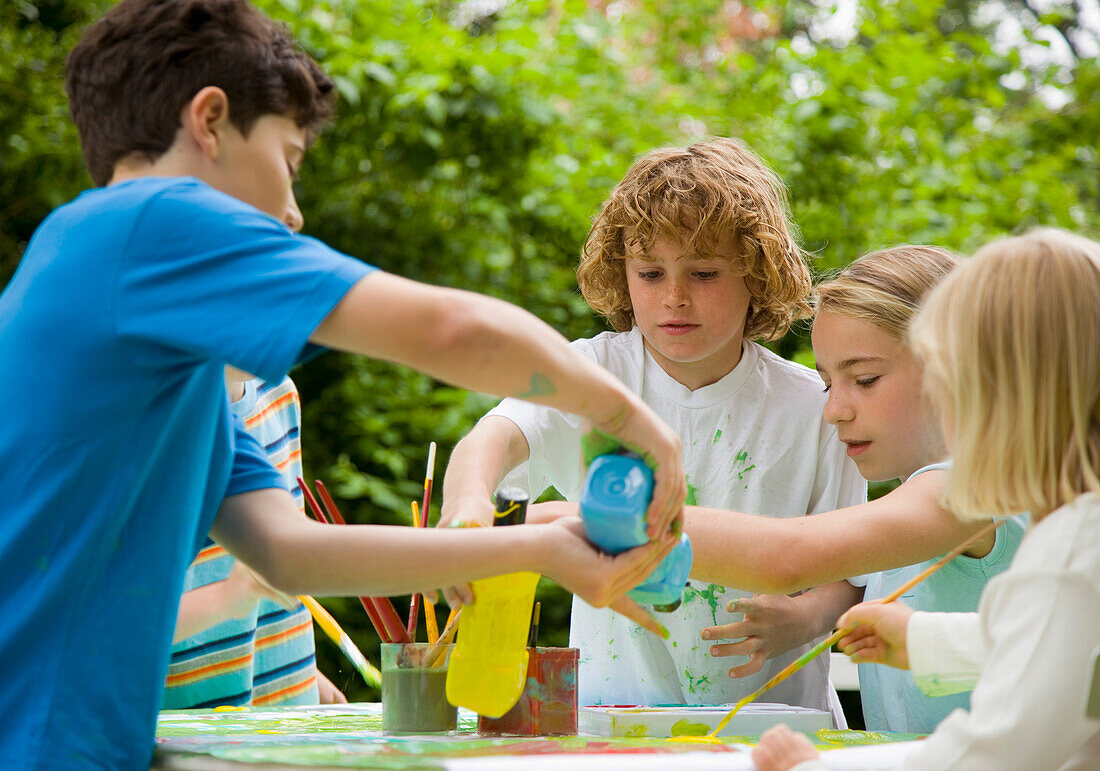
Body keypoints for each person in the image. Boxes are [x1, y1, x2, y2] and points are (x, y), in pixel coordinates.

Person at [0, 1, 685, 767]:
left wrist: (536, 548)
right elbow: (446, 333)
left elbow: (292, 553)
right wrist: (631, 416)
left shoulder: (171, 364)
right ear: (210, 120)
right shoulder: (145, 219)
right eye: (288, 160)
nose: (291, 213)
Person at [440, 137, 866, 719]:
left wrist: (808, 617)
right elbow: (495, 438)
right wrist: (465, 505)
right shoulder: (592, 373)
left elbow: (856, 569)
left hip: (773, 727)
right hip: (611, 722)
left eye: (705, 273)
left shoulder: (814, 403)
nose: (675, 297)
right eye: (650, 272)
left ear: (758, 274)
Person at [751, 228, 1100, 771]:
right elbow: (1058, 650)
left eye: (865, 379)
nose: (834, 410)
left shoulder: (1048, 536)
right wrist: (929, 640)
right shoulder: (1075, 527)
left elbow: (1005, 748)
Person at [693, 247, 1025, 734]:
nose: (834, 412)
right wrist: (808, 615)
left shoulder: (981, 486)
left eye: (865, 379)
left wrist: (593, 523)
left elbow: (788, 557)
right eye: (828, 384)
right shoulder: (919, 498)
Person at [164, 372, 344, 709]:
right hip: (180, 730)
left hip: (281, 712)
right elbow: (109, 626)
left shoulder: (279, 391)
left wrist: (298, 668)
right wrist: (228, 596)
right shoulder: (153, 417)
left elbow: (281, 556)